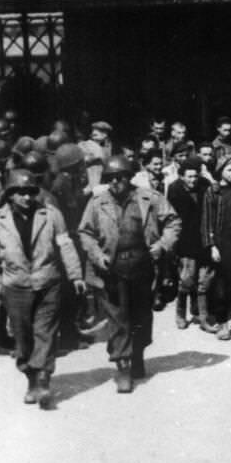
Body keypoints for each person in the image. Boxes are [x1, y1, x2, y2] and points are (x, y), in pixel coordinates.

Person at [78, 156, 179, 393]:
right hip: (112, 270)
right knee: (118, 318)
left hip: (143, 267)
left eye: (120, 177)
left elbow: (173, 221)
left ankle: (138, 354)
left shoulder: (148, 198)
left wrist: (162, 245)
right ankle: (122, 366)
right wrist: (95, 254)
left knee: (141, 315)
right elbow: (85, 232)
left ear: (129, 177)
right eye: (110, 179)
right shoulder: (97, 203)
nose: (115, 183)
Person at [0, 168, 84, 407]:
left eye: (30, 193)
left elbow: (65, 244)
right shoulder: (0, 220)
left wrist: (75, 274)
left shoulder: (50, 214)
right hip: (16, 286)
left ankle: (43, 381)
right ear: (10, 194)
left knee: (45, 332)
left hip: (47, 282)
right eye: (20, 193)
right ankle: (31, 379)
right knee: (22, 338)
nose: (27, 198)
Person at [200, 155, 231, 341]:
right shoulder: (213, 191)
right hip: (223, 241)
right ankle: (222, 323)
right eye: (229, 170)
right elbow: (206, 221)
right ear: (220, 171)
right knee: (221, 282)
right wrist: (212, 246)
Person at [166, 156, 213, 331]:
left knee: (204, 280)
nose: (193, 180)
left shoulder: (204, 186)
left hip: (203, 239)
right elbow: (171, 218)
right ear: (181, 176)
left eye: (195, 176)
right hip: (185, 241)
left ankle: (203, 317)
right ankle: (180, 314)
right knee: (186, 279)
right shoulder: (174, 190)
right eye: (189, 176)